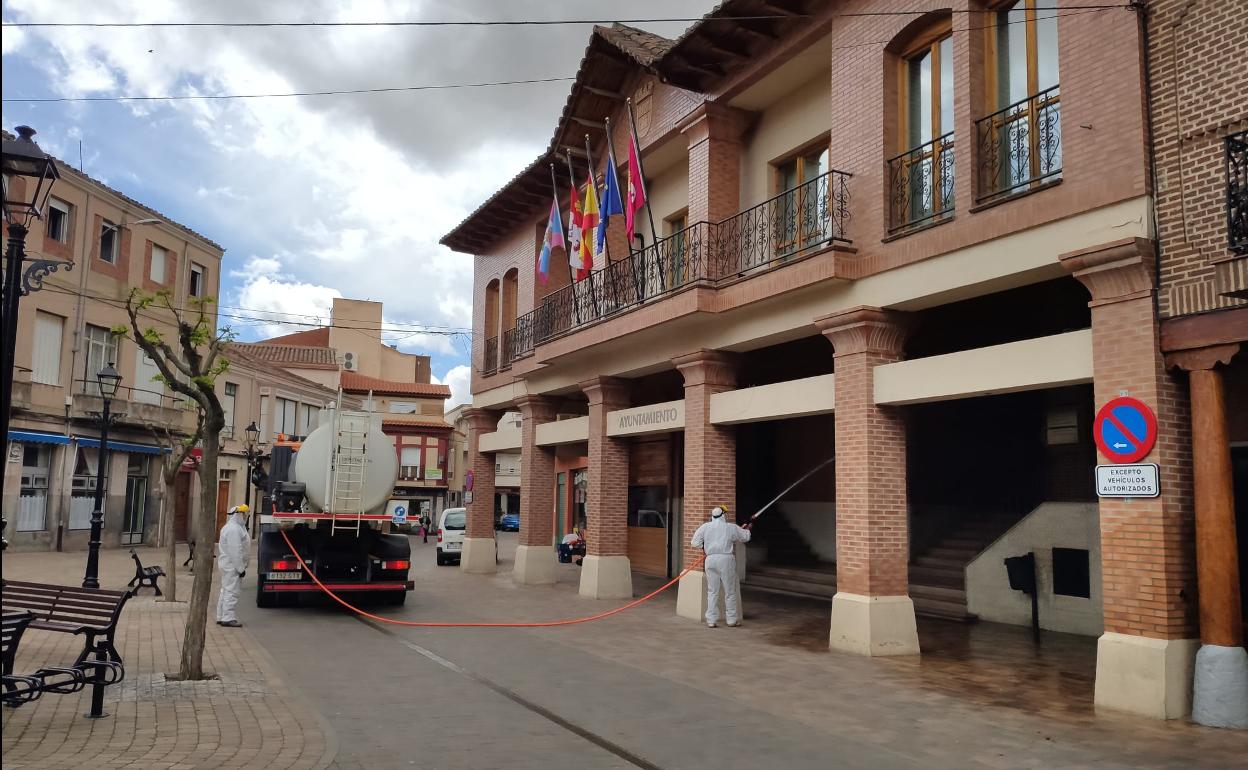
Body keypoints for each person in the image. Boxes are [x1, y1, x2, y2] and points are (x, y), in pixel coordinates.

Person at [691, 505, 750, 628]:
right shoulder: (730, 528)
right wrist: (748, 529)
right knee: (730, 591)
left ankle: (711, 620)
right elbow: (745, 537)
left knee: (712, 591)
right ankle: (731, 620)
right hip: (725, 559)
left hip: (710, 559)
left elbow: (694, 543)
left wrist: (705, 547)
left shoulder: (705, 527)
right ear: (723, 515)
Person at [216, 504, 252, 628]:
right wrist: (240, 568)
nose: (246, 517)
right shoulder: (234, 530)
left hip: (228, 565)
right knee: (232, 591)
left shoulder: (233, 527)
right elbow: (235, 550)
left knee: (225, 590)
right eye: (244, 514)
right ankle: (228, 618)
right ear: (239, 515)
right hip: (232, 566)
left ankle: (221, 616)